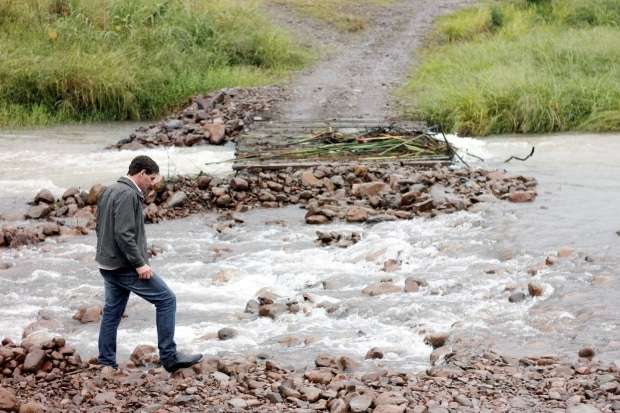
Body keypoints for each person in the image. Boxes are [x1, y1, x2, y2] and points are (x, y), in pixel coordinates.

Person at [95, 155, 202, 372]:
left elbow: (100, 227)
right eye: (151, 178)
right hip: (123, 265)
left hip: (107, 264)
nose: (153, 184)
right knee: (167, 300)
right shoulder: (128, 194)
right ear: (141, 173)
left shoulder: (110, 190)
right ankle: (169, 357)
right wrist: (139, 263)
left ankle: (106, 361)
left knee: (112, 312)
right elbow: (124, 234)